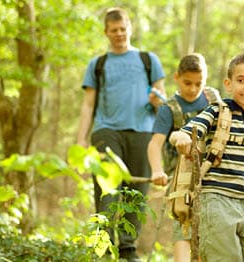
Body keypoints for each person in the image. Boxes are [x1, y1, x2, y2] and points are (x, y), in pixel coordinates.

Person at [76, 7, 166, 261]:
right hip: (106, 131)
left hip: (143, 133)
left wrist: (156, 100)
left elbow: (163, 100)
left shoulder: (148, 60)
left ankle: (128, 249)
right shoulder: (98, 64)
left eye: (123, 29)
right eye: (114, 30)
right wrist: (81, 139)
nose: (119, 34)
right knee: (107, 190)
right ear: (106, 32)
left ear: (130, 29)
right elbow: (88, 104)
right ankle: (103, 249)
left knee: (136, 192)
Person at [169, 53, 244, 261]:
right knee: (224, 256)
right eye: (241, 81)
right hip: (217, 197)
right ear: (228, 84)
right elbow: (189, 129)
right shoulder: (218, 110)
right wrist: (180, 137)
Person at [147, 53, 220, 261]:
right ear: (176, 77)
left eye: (199, 83)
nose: (193, 89)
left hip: (213, 171)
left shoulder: (213, 98)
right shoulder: (168, 109)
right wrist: (157, 170)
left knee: (211, 225)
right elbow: (154, 144)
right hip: (181, 176)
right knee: (184, 219)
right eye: (187, 83)